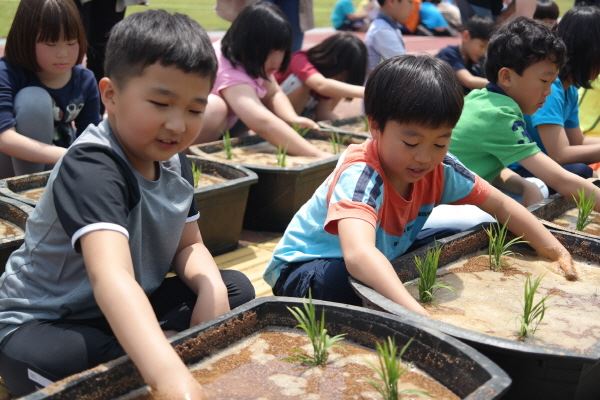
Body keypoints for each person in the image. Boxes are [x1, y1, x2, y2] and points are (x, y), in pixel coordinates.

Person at [0, 10, 255, 398]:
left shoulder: (173, 158)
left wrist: (210, 289)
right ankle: (157, 352)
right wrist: (173, 381)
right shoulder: (92, 165)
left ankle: (150, 349)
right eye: (160, 102)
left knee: (233, 288)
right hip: (45, 320)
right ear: (111, 95)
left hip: (118, 306)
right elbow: (112, 279)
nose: (177, 125)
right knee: (62, 359)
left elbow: (190, 244)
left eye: (194, 109)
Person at [263, 55, 577, 316]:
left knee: (457, 237)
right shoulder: (362, 175)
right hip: (307, 270)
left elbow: (500, 204)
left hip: (381, 253)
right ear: (375, 126)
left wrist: (554, 250)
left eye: (440, 142)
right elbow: (358, 254)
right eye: (411, 141)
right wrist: (417, 314)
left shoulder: (441, 168)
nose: (424, 157)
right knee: (341, 280)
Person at [449, 18, 600, 209]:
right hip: (440, 206)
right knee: (490, 220)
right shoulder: (499, 115)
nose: (549, 91)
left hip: (454, 192)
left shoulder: (482, 98)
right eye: (545, 81)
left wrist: (523, 185)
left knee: (536, 187)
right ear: (506, 77)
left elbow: (484, 166)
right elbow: (562, 180)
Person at [195, 2, 328, 158]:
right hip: (196, 127)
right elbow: (261, 122)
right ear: (251, 44)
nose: (278, 60)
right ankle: (188, 161)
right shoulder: (228, 69)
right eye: (272, 50)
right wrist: (317, 155)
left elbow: (274, 93)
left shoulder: (250, 57)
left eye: (283, 50)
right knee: (215, 109)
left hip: (227, 126)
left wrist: (291, 118)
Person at [0, 0, 101, 179]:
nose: (63, 53)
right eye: (51, 44)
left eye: (71, 43)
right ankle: (28, 197)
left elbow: (90, 137)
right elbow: (4, 137)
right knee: (33, 100)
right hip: (9, 170)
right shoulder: (7, 72)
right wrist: (67, 155)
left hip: (59, 163)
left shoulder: (85, 80)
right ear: (26, 38)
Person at [513, 6, 600, 181]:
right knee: (581, 172)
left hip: (538, 167)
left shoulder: (570, 89)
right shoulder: (552, 88)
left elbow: (577, 142)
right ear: (590, 53)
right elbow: (559, 154)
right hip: (518, 170)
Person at [276, 33, 367, 121]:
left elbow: (323, 113)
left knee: (335, 87)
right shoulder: (301, 59)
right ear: (333, 61)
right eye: (342, 73)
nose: (341, 77)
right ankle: (292, 125)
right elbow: (320, 85)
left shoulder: (329, 77)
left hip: (306, 113)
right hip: (277, 111)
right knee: (301, 82)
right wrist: (368, 92)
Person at [436, 16, 495, 93]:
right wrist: (499, 85)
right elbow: (469, 81)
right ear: (466, 36)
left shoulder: (474, 60)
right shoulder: (449, 54)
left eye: (487, 48)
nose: (484, 52)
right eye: (482, 46)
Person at [365, 0, 414, 73]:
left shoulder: (386, 27)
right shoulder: (383, 30)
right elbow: (406, 72)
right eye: (410, 2)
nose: (412, 8)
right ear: (391, 1)